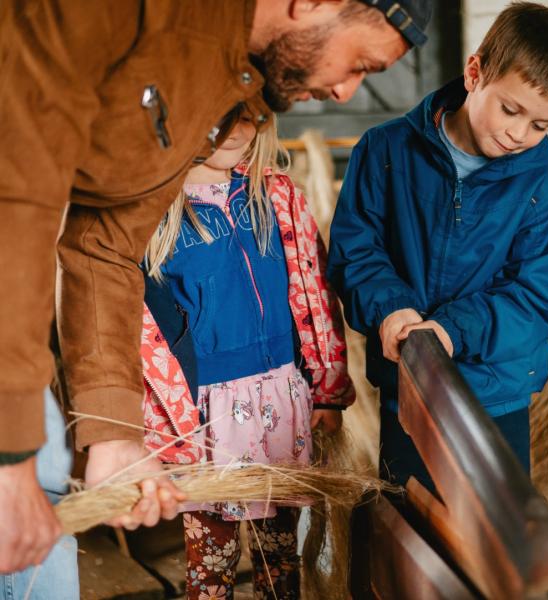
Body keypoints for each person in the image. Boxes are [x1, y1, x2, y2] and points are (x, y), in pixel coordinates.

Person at [0, 0, 432, 582]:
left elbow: (104, 242)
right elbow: (16, 204)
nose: (348, 94)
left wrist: (111, 431)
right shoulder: (112, 19)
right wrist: (10, 452)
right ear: (313, 5)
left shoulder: (224, 83)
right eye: (361, 63)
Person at [327, 2, 548, 492]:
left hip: (496, 398)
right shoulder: (384, 152)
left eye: (541, 125)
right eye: (511, 109)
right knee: (409, 534)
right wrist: (390, 309)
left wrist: (451, 331)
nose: (519, 133)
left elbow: (534, 299)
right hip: (407, 390)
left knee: (494, 549)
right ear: (474, 72)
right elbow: (356, 251)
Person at [140, 108, 353, 599]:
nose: (239, 128)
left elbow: (315, 292)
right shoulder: (154, 211)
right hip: (206, 417)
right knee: (211, 562)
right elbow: (142, 333)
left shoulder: (277, 195)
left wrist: (327, 390)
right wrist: (166, 429)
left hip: (283, 401)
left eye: (252, 113)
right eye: (222, 112)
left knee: (280, 556)